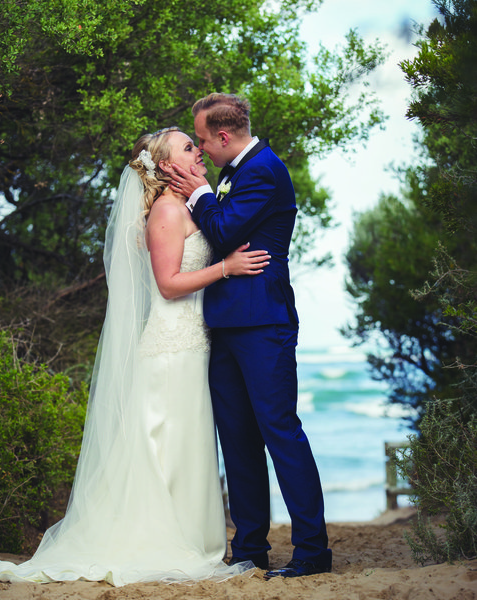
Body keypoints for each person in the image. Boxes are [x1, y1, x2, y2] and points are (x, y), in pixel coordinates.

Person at [0, 127, 269, 586]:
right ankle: (172, 541)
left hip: (191, 344)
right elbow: (167, 285)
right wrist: (226, 268)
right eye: (189, 147)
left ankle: (192, 536)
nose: (199, 151)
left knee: (184, 447)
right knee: (168, 446)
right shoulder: (166, 211)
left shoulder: (188, 204)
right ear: (165, 166)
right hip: (171, 348)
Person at [170, 93, 332, 578]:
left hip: (264, 324)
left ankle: (311, 551)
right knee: (237, 439)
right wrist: (205, 191)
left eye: (201, 140)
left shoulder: (263, 169)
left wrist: (198, 191)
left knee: (280, 432)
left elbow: (222, 233)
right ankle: (251, 547)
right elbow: (223, 231)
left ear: (223, 136)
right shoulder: (235, 172)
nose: (199, 151)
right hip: (225, 324)